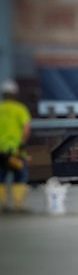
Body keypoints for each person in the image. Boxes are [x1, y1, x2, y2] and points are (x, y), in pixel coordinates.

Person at [0, 80, 31, 212]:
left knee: (0, 177)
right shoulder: (20, 109)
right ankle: (18, 205)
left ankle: (1, 206)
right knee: (20, 177)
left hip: (1, 150)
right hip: (16, 151)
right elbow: (26, 128)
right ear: (15, 94)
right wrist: (22, 143)